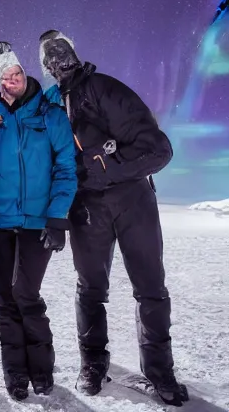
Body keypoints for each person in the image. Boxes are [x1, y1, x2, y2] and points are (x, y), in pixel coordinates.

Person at [39, 30, 188, 406]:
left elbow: (158, 149)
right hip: (86, 209)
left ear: (73, 51)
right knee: (90, 288)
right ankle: (92, 363)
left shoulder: (105, 89)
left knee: (151, 287)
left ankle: (160, 372)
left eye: (62, 51)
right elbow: (48, 161)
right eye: (50, 57)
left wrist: (104, 167)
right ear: (46, 67)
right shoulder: (50, 104)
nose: (58, 60)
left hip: (132, 199)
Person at [0, 42, 77, 400]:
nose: (13, 80)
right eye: (6, 77)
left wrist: (57, 218)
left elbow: (66, 168)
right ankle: (16, 372)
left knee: (26, 293)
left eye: (17, 74)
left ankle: (41, 368)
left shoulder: (51, 116)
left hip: (39, 222)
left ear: (26, 75)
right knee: (5, 298)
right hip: (1, 222)